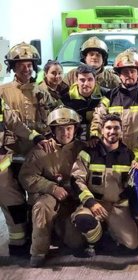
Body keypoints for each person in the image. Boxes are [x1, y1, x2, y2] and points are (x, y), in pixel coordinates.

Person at [19, 106, 86, 267]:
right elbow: (26, 176)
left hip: (73, 200)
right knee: (41, 207)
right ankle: (38, 252)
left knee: (76, 243)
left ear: (75, 129)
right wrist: (51, 188)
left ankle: (58, 230)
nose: (65, 133)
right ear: (53, 131)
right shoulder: (41, 150)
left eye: (69, 128)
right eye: (60, 129)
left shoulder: (82, 148)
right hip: (49, 198)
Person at [71, 114, 138, 257]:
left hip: (117, 206)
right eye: (108, 128)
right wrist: (91, 203)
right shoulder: (88, 153)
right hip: (93, 205)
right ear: (102, 130)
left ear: (121, 131)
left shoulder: (129, 155)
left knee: (132, 244)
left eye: (116, 128)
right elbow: (76, 180)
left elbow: (131, 184)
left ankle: (109, 230)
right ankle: (98, 240)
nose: (112, 131)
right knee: (83, 221)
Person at [90, 49, 138, 156]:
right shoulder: (110, 97)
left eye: (132, 71)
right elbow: (98, 117)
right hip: (116, 154)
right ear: (119, 74)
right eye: (125, 71)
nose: (129, 74)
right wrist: (94, 135)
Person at [0, 98, 50, 256]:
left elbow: (14, 122)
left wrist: (34, 137)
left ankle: (18, 242)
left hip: (1, 165)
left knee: (13, 202)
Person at [1, 42, 58, 155]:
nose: (26, 69)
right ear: (13, 68)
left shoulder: (42, 91)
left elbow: (56, 115)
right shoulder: (3, 91)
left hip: (39, 147)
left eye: (29, 65)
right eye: (21, 65)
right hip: (11, 149)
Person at [60, 64, 109, 141]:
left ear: (95, 79)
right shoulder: (65, 99)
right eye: (82, 80)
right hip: (75, 140)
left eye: (90, 79)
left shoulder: (107, 94)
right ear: (76, 80)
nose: (86, 83)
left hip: (100, 139)